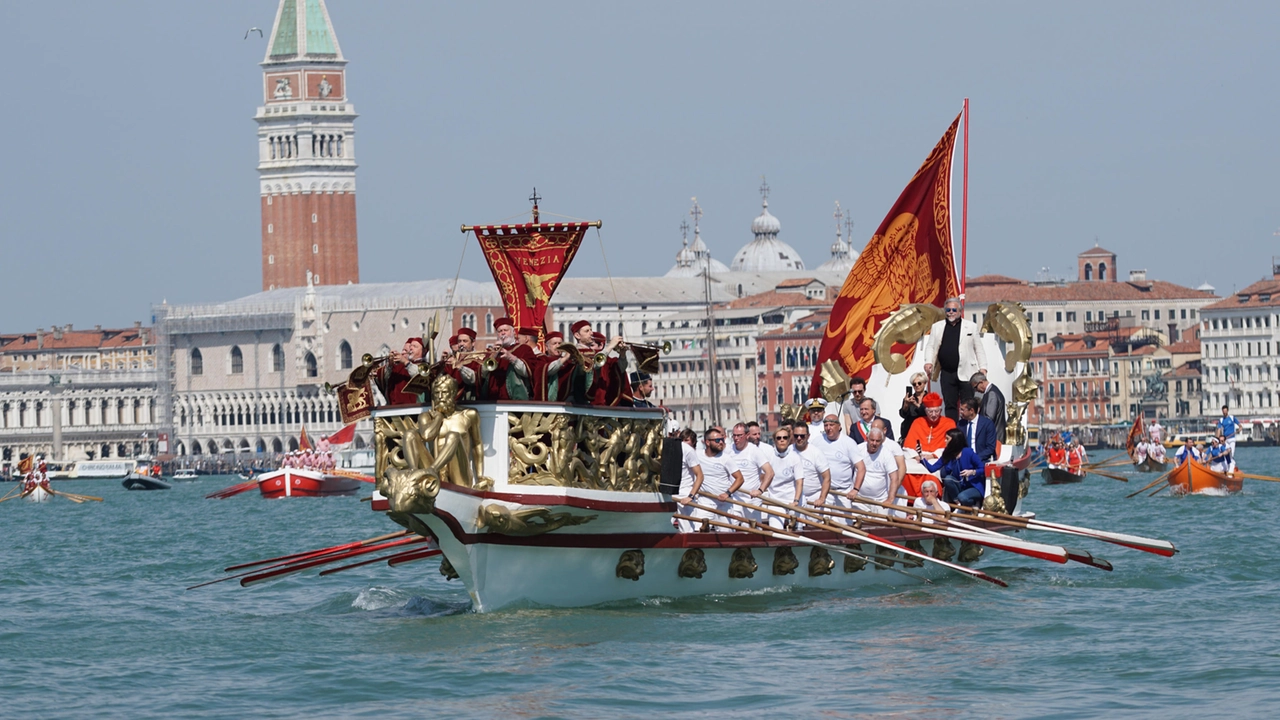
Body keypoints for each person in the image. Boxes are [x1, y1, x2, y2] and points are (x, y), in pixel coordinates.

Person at [922, 298, 988, 422]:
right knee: (950, 405)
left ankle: (966, 430)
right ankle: (952, 431)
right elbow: (930, 346)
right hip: (947, 373)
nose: (951, 312)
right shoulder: (937, 327)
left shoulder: (971, 327)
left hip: (967, 373)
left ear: (960, 311)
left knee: (968, 405)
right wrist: (928, 362)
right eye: (948, 310)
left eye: (954, 310)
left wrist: (983, 368)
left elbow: (979, 349)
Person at [688, 428, 745, 530]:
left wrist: (727, 493)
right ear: (707, 442)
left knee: (726, 535)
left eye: (722, 439)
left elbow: (740, 479)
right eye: (718, 440)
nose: (721, 443)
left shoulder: (726, 459)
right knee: (698, 530)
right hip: (705, 500)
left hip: (724, 502)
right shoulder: (697, 455)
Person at [921, 428, 985, 507]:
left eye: (947, 439)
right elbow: (932, 469)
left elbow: (983, 469)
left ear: (954, 440)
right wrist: (921, 457)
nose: (945, 441)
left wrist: (972, 472)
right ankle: (959, 504)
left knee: (963, 497)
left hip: (974, 486)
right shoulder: (947, 454)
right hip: (960, 486)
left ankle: (973, 504)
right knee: (948, 478)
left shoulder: (968, 452)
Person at [814, 413, 863, 514]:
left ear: (839, 426)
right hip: (823, 491)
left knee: (845, 525)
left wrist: (855, 489)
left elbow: (861, 468)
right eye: (826, 425)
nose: (828, 428)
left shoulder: (848, 443)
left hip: (843, 492)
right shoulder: (816, 442)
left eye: (831, 425)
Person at [726, 422, 774, 525]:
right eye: (734, 435)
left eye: (739, 435)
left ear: (747, 435)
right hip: (734, 498)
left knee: (753, 531)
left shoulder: (754, 451)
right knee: (731, 527)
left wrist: (760, 490)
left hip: (752, 499)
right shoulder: (728, 450)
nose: (736, 438)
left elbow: (770, 473)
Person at [757, 428, 804, 529]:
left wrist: (796, 501)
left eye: (785, 438)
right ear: (774, 440)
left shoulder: (795, 457)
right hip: (775, 500)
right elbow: (762, 476)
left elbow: (799, 482)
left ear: (789, 440)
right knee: (776, 530)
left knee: (796, 529)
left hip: (792, 500)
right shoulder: (768, 456)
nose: (782, 440)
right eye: (779, 438)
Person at [849, 426, 903, 513]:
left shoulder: (886, 453)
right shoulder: (858, 449)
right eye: (872, 440)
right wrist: (852, 490)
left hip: (880, 500)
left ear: (882, 441)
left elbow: (894, 478)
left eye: (877, 441)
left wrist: (890, 499)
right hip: (858, 499)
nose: (874, 443)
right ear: (867, 438)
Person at [790, 424, 831, 509]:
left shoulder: (816, 453)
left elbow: (827, 477)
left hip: (814, 498)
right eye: (796, 436)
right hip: (794, 498)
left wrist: (821, 498)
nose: (799, 438)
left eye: (802, 436)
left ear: (808, 436)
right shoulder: (788, 451)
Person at [376, 337, 427, 405]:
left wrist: (405, 362)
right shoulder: (399, 366)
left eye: (414, 346)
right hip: (393, 407)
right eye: (410, 346)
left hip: (413, 407)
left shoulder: (424, 365)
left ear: (423, 351)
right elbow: (385, 379)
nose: (411, 348)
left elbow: (420, 377)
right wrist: (390, 364)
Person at [672, 429, 704, 532]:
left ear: (694, 442)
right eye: (682, 439)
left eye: (686, 440)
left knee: (687, 531)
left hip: (685, 494)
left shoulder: (689, 451)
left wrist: (690, 496)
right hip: (671, 495)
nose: (683, 442)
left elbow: (700, 476)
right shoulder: (671, 448)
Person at [957, 397, 997, 462]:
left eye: (962, 410)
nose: (960, 412)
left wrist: (975, 458)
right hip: (964, 460)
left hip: (982, 459)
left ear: (971, 411)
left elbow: (990, 447)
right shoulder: (961, 424)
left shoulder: (987, 424)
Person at [970, 372, 1007, 443]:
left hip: (993, 438)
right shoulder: (992, 391)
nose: (976, 390)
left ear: (981, 382)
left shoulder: (992, 393)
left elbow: (989, 417)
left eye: (975, 387)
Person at [899, 372, 930, 439]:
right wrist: (906, 405)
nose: (917, 385)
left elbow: (928, 413)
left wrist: (916, 404)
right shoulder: (909, 398)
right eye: (914, 384)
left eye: (919, 383)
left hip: (925, 430)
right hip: (910, 431)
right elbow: (903, 415)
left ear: (924, 383)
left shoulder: (929, 398)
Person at [1216, 406, 1240, 471]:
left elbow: (1239, 425)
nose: (1224, 413)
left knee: (1231, 454)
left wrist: (1240, 428)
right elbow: (1218, 429)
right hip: (1225, 440)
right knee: (1225, 454)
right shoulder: (1221, 420)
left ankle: (1231, 471)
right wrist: (1218, 439)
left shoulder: (1232, 418)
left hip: (1232, 439)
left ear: (1227, 411)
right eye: (1223, 411)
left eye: (1225, 411)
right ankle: (1226, 468)